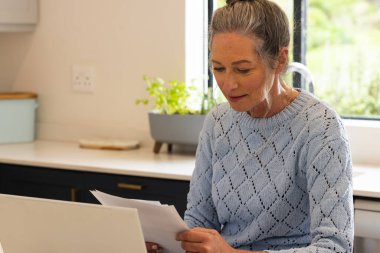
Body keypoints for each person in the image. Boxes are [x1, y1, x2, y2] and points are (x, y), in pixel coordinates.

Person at [174, 0, 354, 252]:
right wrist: (170, 242)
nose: (228, 84)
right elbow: (199, 221)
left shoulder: (320, 128)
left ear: (280, 60)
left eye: (243, 70)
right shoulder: (218, 122)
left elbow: (336, 247)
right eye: (218, 68)